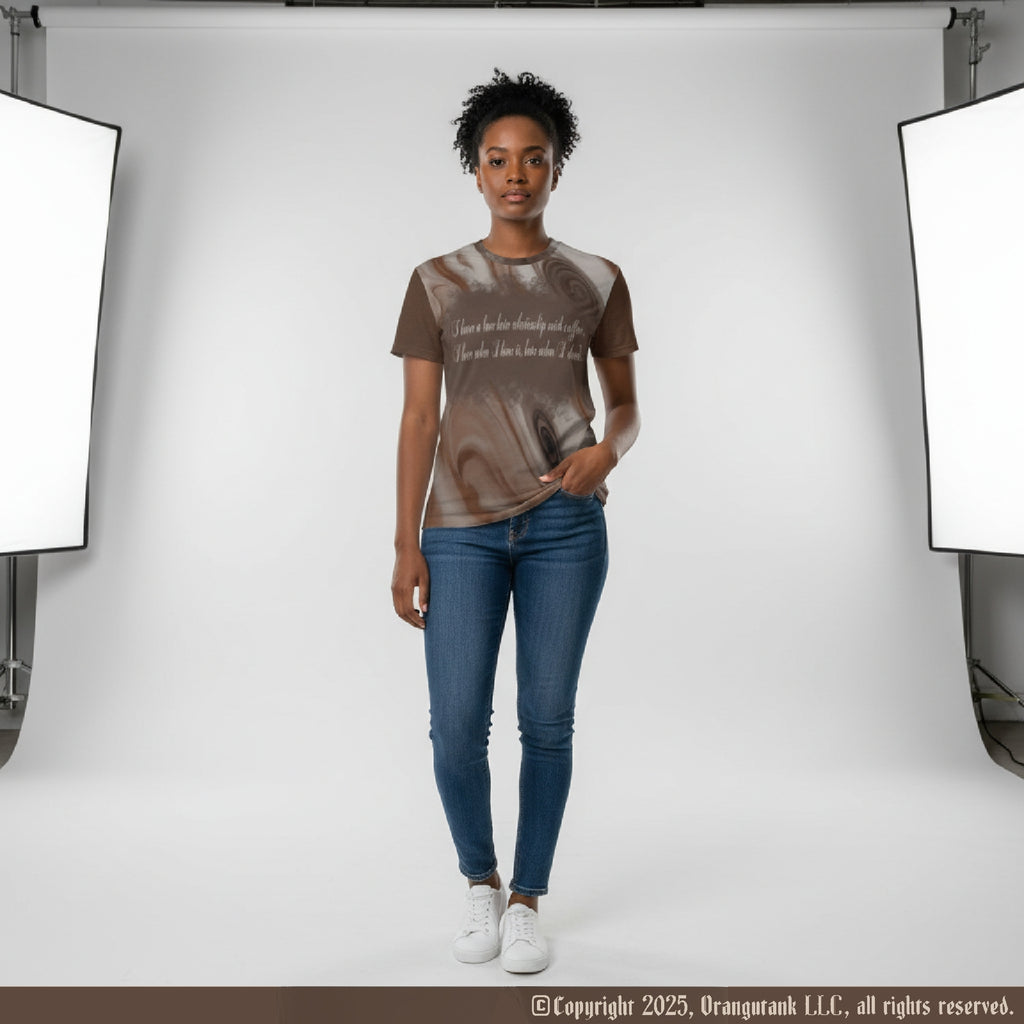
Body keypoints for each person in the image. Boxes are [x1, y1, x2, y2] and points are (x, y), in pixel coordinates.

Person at [390, 69, 640, 974]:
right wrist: (404, 544)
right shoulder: (437, 281)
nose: (516, 175)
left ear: (557, 167)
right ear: (476, 168)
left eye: (534, 158)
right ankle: (479, 880)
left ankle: (529, 896)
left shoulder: (597, 279)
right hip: (457, 532)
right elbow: (419, 417)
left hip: (565, 530)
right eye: (498, 159)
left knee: (547, 721)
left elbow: (626, 409)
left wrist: (607, 454)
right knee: (455, 724)